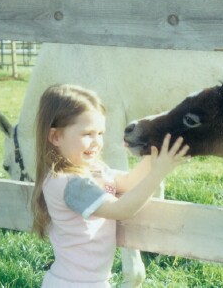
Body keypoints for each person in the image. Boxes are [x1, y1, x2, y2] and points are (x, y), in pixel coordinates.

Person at [31, 84, 189, 287]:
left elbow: (128, 182)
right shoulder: (69, 183)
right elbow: (121, 209)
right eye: (87, 134)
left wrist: (154, 152)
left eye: (100, 133)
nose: (97, 142)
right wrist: (159, 172)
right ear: (55, 137)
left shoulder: (92, 170)